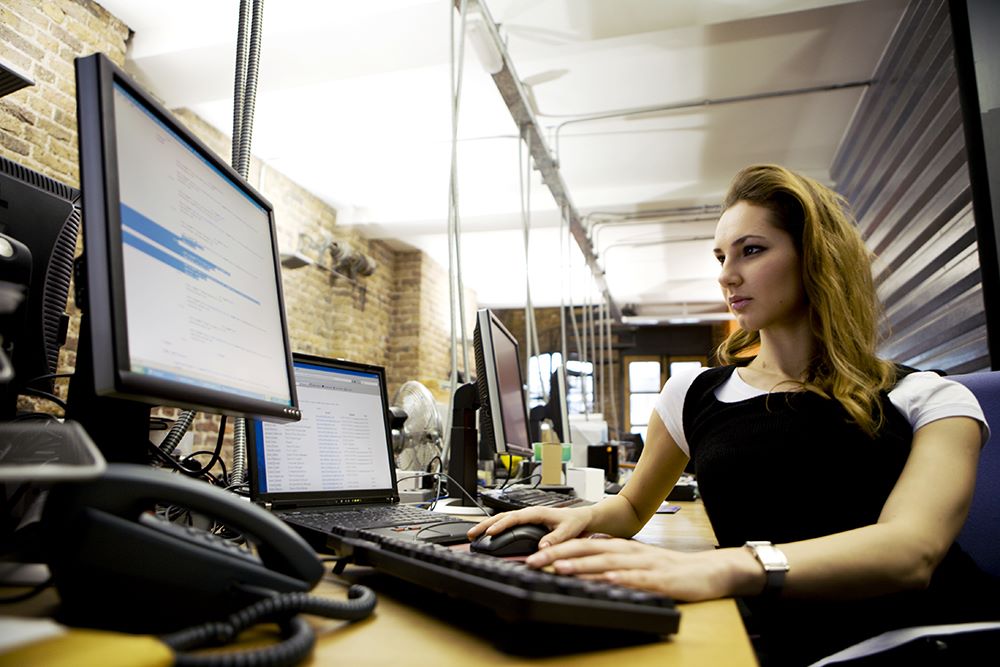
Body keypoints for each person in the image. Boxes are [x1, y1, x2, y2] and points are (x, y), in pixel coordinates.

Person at [468, 164, 997, 665]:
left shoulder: (928, 397)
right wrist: (580, 516)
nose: (728, 275)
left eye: (751, 251)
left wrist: (722, 565)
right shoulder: (692, 393)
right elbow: (632, 507)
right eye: (721, 257)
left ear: (816, 256)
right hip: (774, 637)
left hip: (922, 638)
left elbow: (912, 551)